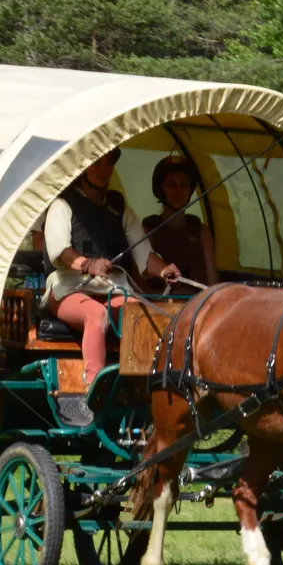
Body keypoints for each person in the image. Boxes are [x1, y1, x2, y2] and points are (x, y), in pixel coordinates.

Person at [36, 147, 181, 397]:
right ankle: (94, 390)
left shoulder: (120, 209)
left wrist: (163, 270)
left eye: (108, 164)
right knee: (97, 315)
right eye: (97, 163)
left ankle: (146, 391)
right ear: (84, 166)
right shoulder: (62, 205)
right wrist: (88, 265)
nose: (104, 170)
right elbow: (60, 252)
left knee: (142, 316)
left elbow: (145, 257)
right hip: (67, 289)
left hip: (111, 289)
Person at [142, 155, 219, 290]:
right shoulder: (148, 230)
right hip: (157, 308)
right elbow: (139, 286)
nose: (178, 191)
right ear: (161, 189)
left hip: (198, 307)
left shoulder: (202, 232)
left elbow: (213, 285)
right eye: (171, 184)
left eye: (184, 184)